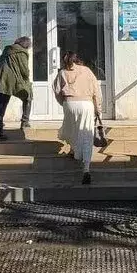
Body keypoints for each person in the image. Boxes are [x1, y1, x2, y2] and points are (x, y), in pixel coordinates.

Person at [53, 51, 102, 185]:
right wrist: (98, 109)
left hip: (69, 103)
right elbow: (96, 91)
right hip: (86, 104)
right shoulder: (87, 71)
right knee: (86, 134)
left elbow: (56, 90)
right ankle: (86, 169)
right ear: (78, 59)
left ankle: (74, 150)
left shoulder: (62, 72)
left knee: (72, 129)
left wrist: (64, 102)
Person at [0, 36, 33, 140]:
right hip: (11, 82)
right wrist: (26, 79)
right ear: (26, 45)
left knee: (0, 107)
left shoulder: (7, 50)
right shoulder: (22, 52)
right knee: (28, 96)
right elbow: (24, 70)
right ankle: (25, 122)